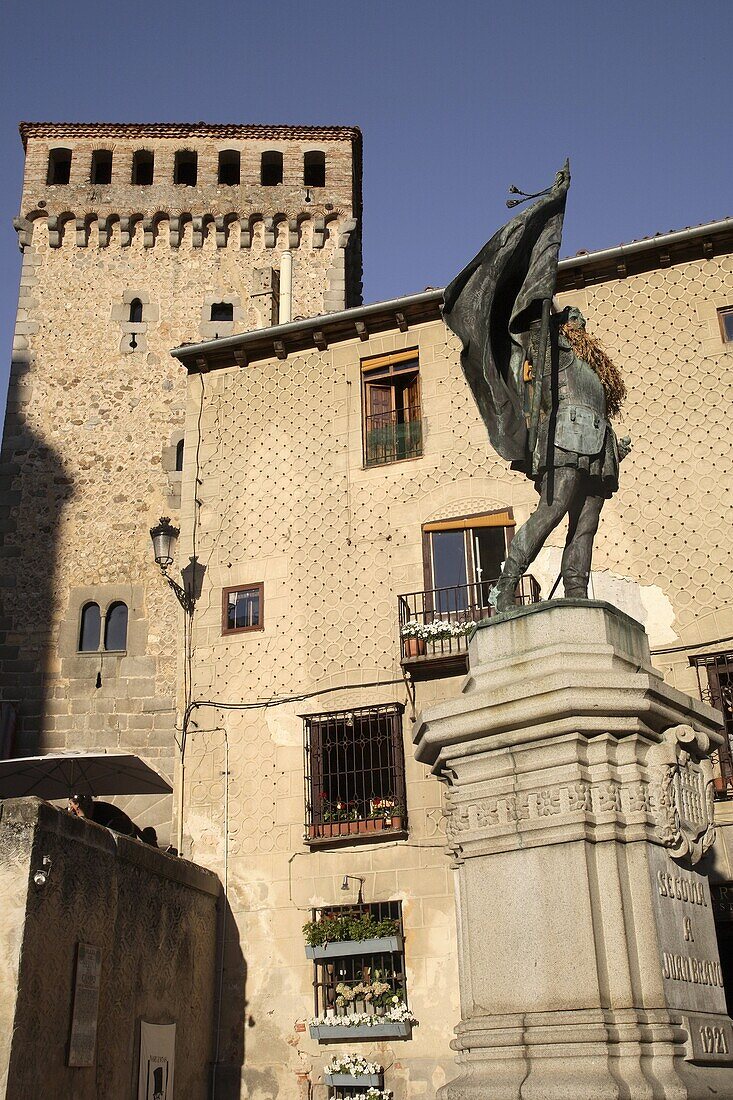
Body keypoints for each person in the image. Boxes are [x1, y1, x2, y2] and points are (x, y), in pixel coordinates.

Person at [491, 305, 630, 610]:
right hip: (564, 437)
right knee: (553, 510)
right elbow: (538, 328)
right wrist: (543, 289)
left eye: (581, 316)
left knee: (586, 524)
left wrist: (615, 450)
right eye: (571, 315)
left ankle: (576, 592)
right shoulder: (554, 353)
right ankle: (506, 583)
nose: (579, 316)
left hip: (599, 444)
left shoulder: (594, 369)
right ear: (561, 325)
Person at [68, 793, 142, 838]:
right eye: (69, 805)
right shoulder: (71, 812)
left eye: (90, 804)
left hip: (124, 833)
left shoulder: (104, 812)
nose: (90, 807)